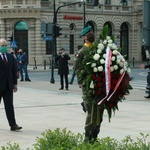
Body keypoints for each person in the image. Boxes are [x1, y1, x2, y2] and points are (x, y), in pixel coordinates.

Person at [75, 30, 103, 143]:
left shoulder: (98, 49)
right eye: (87, 35)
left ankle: (95, 136)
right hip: (88, 84)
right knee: (91, 111)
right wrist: (81, 81)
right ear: (84, 38)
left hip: (99, 84)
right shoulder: (82, 52)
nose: (90, 36)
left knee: (99, 110)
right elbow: (77, 67)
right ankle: (88, 137)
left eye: (91, 34)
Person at [0, 38, 22, 131]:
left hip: (8, 86)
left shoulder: (10, 57)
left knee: (9, 106)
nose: (4, 47)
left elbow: (14, 71)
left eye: (5, 45)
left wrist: (15, 84)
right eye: (2, 45)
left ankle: (13, 125)